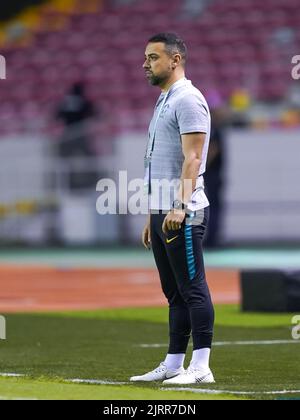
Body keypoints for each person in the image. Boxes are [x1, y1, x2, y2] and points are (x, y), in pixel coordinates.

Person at [130, 33, 215, 385]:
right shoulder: (165, 99)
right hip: (163, 210)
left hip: (185, 211)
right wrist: (154, 212)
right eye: (146, 58)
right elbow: (160, 161)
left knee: (193, 288)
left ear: (175, 59)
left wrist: (179, 205)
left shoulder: (189, 99)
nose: (145, 64)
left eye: (152, 57)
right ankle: (174, 362)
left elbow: (193, 158)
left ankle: (202, 367)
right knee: (174, 292)